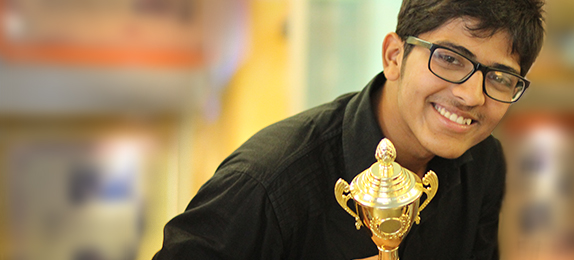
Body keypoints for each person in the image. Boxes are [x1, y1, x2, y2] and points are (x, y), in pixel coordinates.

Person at [153, 0, 545, 259]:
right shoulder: (268, 181)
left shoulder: (481, 162)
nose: (471, 95)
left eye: (500, 78)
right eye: (450, 59)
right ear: (394, 57)